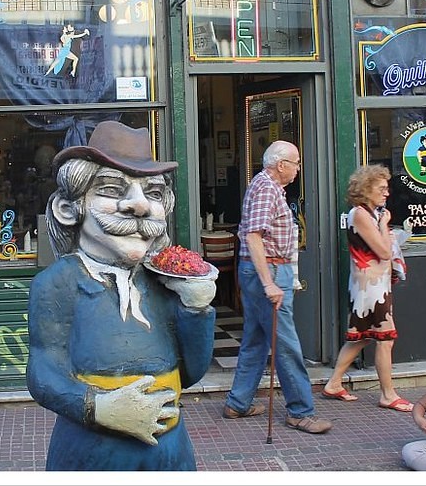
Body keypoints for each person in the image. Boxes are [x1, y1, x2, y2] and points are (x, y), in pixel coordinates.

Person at [26, 121, 217, 470]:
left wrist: (197, 308)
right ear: (69, 209)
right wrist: (97, 407)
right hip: (93, 453)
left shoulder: (163, 280)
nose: (139, 206)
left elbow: (191, 373)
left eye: (154, 194)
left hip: (171, 451)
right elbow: (43, 371)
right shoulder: (58, 283)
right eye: (113, 190)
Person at [224, 141, 332, 434]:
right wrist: (269, 282)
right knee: (285, 343)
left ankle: (238, 402)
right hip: (269, 268)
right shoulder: (266, 188)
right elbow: (253, 236)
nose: (298, 169)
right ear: (281, 164)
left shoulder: (267, 187)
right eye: (296, 163)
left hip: (270, 267)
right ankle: (300, 411)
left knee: (256, 338)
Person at [322, 164, 412, 412]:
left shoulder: (370, 214)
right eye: (381, 188)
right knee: (385, 338)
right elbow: (382, 251)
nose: (387, 193)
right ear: (366, 189)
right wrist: (385, 226)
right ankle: (388, 394)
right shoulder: (361, 215)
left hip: (371, 285)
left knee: (361, 337)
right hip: (371, 288)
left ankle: (334, 383)